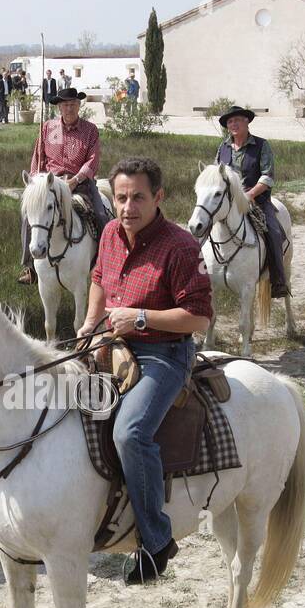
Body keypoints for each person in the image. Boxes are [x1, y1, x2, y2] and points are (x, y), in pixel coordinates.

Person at [75, 157, 213, 585]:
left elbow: (198, 318)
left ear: (158, 198)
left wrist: (140, 319)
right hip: (111, 345)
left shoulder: (181, 246)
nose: (127, 207)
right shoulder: (111, 233)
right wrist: (89, 324)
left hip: (163, 354)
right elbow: (99, 277)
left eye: (137, 197)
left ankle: (155, 540)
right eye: (120, 197)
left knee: (129, 432)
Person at [18, 87, 111, 284]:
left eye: (73, 104)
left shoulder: (90, 130)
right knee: (30, 217)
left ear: (79, 106)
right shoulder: (48, 128)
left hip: (80, 182)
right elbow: (38, 158)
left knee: (101, 215)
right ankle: (30, 267)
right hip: (50, 183)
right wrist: (36, 184)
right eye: (65, 105)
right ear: (59, 107)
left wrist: (75, 180)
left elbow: (92, 161)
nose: (69, 108)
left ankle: (105, 264)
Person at [214, 106, 290, 297]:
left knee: (274, 232)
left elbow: (267, 176)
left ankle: (278, 281)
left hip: (256, 200)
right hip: (228, 202)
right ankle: (200, 273)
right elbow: (216, 175)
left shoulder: (262, 146)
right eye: (230, 122)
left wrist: (249, 195)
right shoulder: (223, 148)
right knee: (202, 225)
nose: (233, 124)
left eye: (237, 120)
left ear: (247, 122)